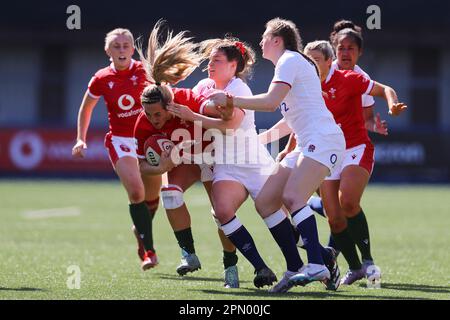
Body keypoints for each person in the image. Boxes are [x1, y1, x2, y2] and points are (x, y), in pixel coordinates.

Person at [208, 18, 345, 292]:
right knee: (267, 203)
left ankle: (317, 263)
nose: (260, 41)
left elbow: (270, 103)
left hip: (323, 140)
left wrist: (231, 100)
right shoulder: (289, 65)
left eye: (264, 36)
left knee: (291, 197)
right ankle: (298, 265)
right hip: (308, 143)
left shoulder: (290, 60)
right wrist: (259, 139)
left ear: (277, 40)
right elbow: (288, 120)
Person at [169, 36, 289, 289]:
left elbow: (231, 126)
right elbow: (190, 104)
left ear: (233, 66)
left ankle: (322, 257)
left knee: (281, 221)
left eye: (217, 60)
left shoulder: (239, 89)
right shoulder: (203, 84)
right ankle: (261, 268)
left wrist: (194, 116)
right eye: (210, 60)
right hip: (225, 164)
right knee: (222, 211)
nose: (210, 64)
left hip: (253, 163)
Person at [134, 21, 240, 288]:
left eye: (158, 113)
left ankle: (230, 266)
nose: (153, 119)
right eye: (148, 114)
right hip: (188, 161)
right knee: (170, 193)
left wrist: (224, 110)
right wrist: (159, 168)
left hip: (214, 157)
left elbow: (212, 110)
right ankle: (188, 254)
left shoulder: (186, 99)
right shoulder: (143, 122)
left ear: (170, 105)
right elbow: (140, 166)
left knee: (221, 213)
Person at [302, 39, 407, 286]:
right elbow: (299, 124)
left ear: (330, 62)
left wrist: (392, 106)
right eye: (307, 61)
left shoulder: (348, 79)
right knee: (335, 219)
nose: (311, 65)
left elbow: (385, 90)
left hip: (355, 147)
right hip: (327, 153)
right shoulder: (304, 89)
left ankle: (368, 260)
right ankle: (356, 267)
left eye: (316, 60)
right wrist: (288, 150)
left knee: (347, 201)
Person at [71, 28, 161, 271]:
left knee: (153, 199)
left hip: (148, 140)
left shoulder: (146, 70)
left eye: (126, 45)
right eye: (116, 46)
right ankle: (149, 252)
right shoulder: (101, 78)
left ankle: (140, 229)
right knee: (136, 193)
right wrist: (81, 139)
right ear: (107, 50)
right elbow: (86, 109)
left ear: (132, 49)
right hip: (121, 140)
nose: (121, 50)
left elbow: (166, 97)